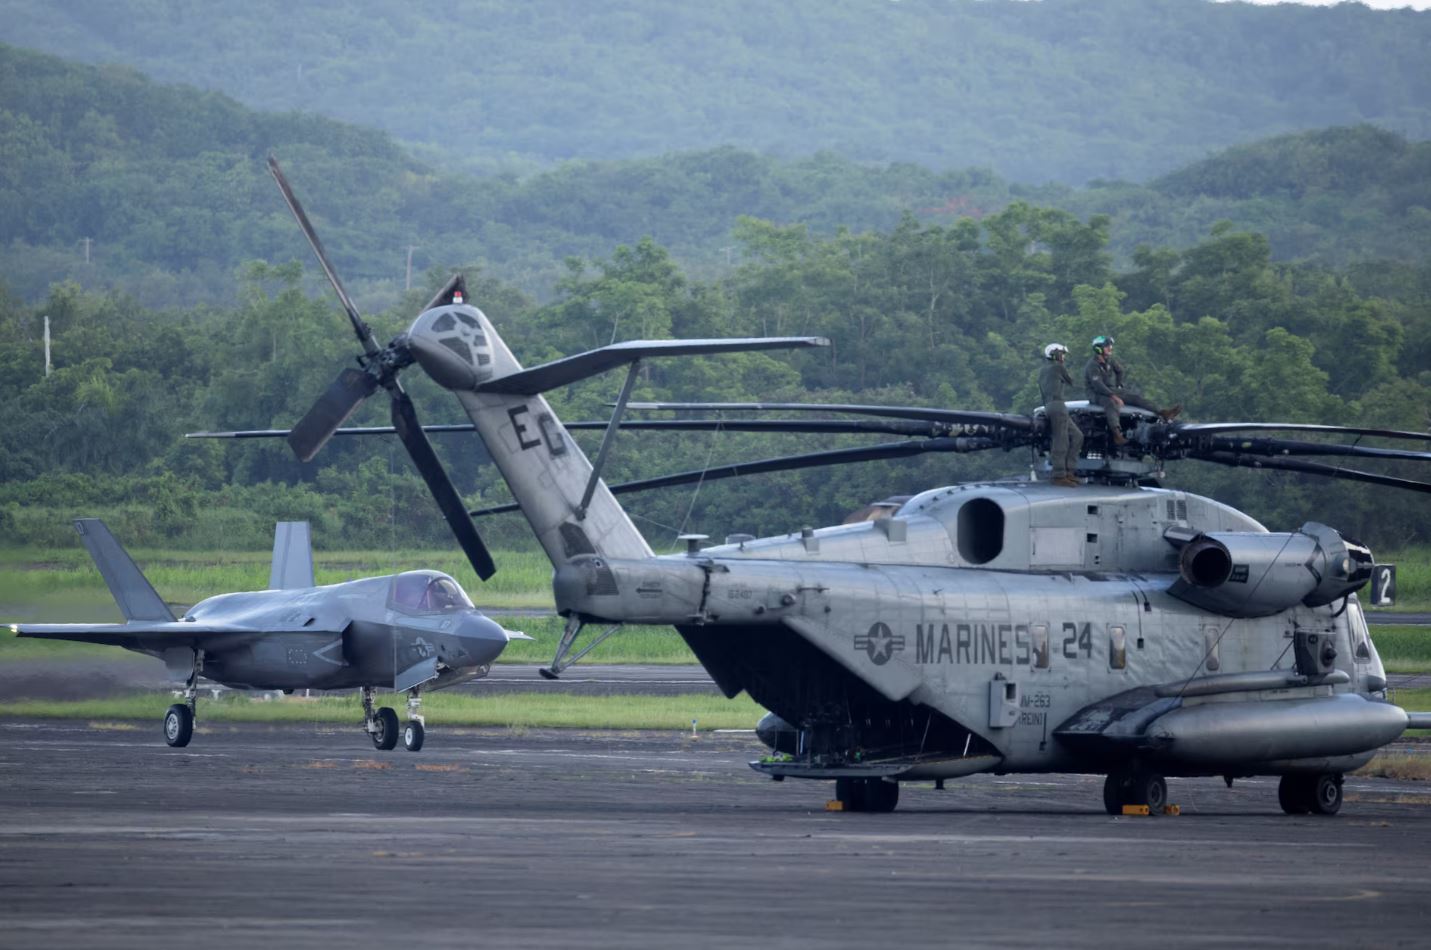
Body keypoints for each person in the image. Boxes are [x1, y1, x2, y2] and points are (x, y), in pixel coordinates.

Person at [1082, 335, 1180, 445]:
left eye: (1110, 346)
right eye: (1106, 346)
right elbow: (1098, 386)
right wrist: (1113, 396)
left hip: (1109, 390)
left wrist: (1118, 386)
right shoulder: (1092, 365)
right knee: (1111, 404)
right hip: (1096, 394)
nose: (1110, 348)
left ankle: (1162, 412)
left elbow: (1120, 371)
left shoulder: (1110, 361)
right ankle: (1117, 434)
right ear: (1098, 349)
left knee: (1135, 398)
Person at [1038, 343, 1084, 486]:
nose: (1063, 357)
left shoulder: (1043, 370)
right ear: (1055, 354)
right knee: (1061, 440)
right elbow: (1072, 381)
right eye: (1062, 354)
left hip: (1050, 406)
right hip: (1057, 405)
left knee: (1077, 436)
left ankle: (1069, 471)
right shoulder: (1058, 367)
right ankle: (1059, 475)